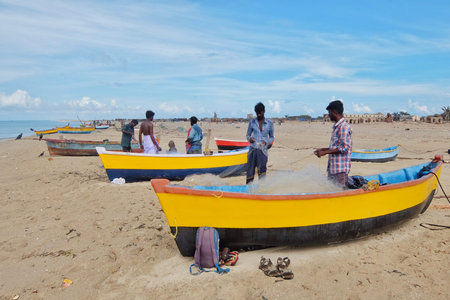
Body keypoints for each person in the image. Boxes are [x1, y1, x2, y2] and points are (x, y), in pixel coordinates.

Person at [314, 100, 352, 188]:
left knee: (339, 193)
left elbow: (345, 148)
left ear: (334, 112)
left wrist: (325, 153)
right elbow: (336, 146)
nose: (328, 115)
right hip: (333, 168)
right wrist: (323, 149)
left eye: (329, 112)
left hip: (340, 169)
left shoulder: (344, 127)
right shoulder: (337, 127)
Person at [246, 102, 274, 184]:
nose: (258, 115)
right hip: (253, 150)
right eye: (257, 113)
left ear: (264, 111)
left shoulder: (269, 123)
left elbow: (272, 137)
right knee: (250, 171)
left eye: (260, 113)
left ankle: (261, 190)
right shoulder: (252, 122)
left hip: (263, 151)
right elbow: (247, 135)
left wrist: (267, 143)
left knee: (262, 171)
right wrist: (250, 139)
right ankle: (248, 189)